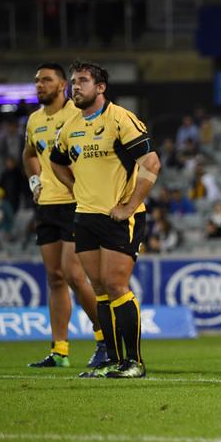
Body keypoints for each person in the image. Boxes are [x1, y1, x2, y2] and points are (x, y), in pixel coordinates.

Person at [50, 60, 161, 378]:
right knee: (99, 289)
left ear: (100, 88)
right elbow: (57, 162)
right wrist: (75, 189)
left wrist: (129, 206)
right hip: (84, 217)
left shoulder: (120, 119)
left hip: (118, 218)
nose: (75, 86)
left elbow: (151, 163)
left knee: (116, 285)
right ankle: (112, 360)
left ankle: (134, 363)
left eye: (83, 81)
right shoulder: (70, 126)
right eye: (73, 81)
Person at [22, 62, 105, 369]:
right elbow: (29, 154)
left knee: (72, 274)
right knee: (55, 278)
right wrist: (35, 181)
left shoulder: (78, 113)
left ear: (61, 86)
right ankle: (60, 350)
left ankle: (104, 338)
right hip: (47, 205)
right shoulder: (33, 120)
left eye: (46, 80)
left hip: (75, 203)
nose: (39, 85)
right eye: (36, 80)